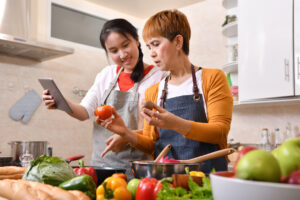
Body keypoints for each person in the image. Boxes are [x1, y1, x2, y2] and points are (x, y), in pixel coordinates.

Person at [98, 10, 233, 173]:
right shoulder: (153, 91)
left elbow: (219, 132)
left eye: (156, 44)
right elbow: (151, 144)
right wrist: (125, 132)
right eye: (148, 47)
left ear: (177, 42)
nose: (151, 53)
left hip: (207, 178)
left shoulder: (212, 78)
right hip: (167, 180)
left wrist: (176, 124)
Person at [42, 18, 165, 179]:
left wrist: (126, 136)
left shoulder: (158, 77)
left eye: (126, 45)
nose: (122, 54)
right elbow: (84, 112)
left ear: (136, 40)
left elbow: (159, 128)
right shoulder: (106, 75)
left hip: (138, 171)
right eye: (114, 51)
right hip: (101, 167)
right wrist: (60, 102)